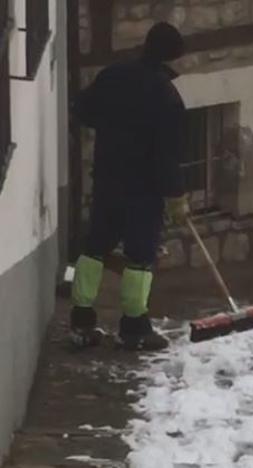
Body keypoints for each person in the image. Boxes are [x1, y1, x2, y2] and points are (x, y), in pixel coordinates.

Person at [68, 22, 189, 351]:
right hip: (143, 189)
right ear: (170, 57)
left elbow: (82, 108)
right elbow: (168, 154)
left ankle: (80, 320)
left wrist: (110, 126)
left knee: (95, 246)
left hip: (108, 177)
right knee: (139, 255)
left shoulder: (114, 74)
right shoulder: (166, 96)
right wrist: (176, 194)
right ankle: (134, 327)